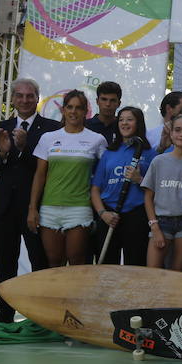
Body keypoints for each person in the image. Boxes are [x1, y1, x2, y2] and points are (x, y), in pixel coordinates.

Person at [0, 78, 61, 322]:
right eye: (20, 96)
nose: (25, 100)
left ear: (37, 98)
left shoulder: (51, 128)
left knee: (40, 261)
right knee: (5, 261)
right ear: (14, 99)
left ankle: (40, 315)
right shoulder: (1, 126)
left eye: (30, 96)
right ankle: (5, 311)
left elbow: (47, 168)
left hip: (34, 208)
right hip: (4, 206)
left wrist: (25, 147)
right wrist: (3, 152)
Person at [28, 90, 107, 267]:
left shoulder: (97, 140)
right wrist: (33, 208)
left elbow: (105, 174)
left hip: (79, 207)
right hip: (49, 208)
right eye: (69, 107)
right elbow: (40, 175)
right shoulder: (48, 138)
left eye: (78, 108)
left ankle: (75, 296)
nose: (73, 111)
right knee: (54, 262)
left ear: (85, 111)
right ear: (63, 110)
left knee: (76, 260)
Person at [89, 107, 153, 266]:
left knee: (135, 264)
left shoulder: (149, 153)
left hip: (136, 213)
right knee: (107, 266)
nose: (124, 123)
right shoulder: (109, 153)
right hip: (109, 213)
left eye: (129, 119)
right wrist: (103, 213)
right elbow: (95, 189)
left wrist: (140, 179)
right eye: (121, 119)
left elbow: (155, 190)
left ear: (138, 123)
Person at [142, 113, 182, 272]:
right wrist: (154, 227)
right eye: (178, 130)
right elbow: (148, 197)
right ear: (171, 133)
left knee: (177, 274)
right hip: (161, 222)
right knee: (153, 272)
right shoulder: (159, 161)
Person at [84, 81, 122, 145]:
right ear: (97, 101)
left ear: (119, 104)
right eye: (104, 99)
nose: (108, 104)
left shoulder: (124, 127)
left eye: (112, 100)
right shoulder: (84, 126)